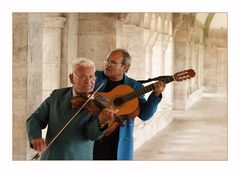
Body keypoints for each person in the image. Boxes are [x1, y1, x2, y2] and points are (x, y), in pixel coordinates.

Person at [26, 58, 115, 160]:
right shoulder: (57, 96)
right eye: (83, 77)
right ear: (72, 78)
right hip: (51, 157)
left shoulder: (97, 104)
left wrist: (101, 122)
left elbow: (92, 135)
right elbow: (35, 119)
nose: (88, 82)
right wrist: (35, 136)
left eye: (91, 77)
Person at [93, 48, 166, 160]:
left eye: (113, 62)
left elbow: (145, 115)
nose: (107, 65)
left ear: (125, 67)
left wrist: (155, 95)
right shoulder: (95, 77)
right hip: (93, 137)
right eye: (107, 61)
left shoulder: (135, 87)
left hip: (118, 141)